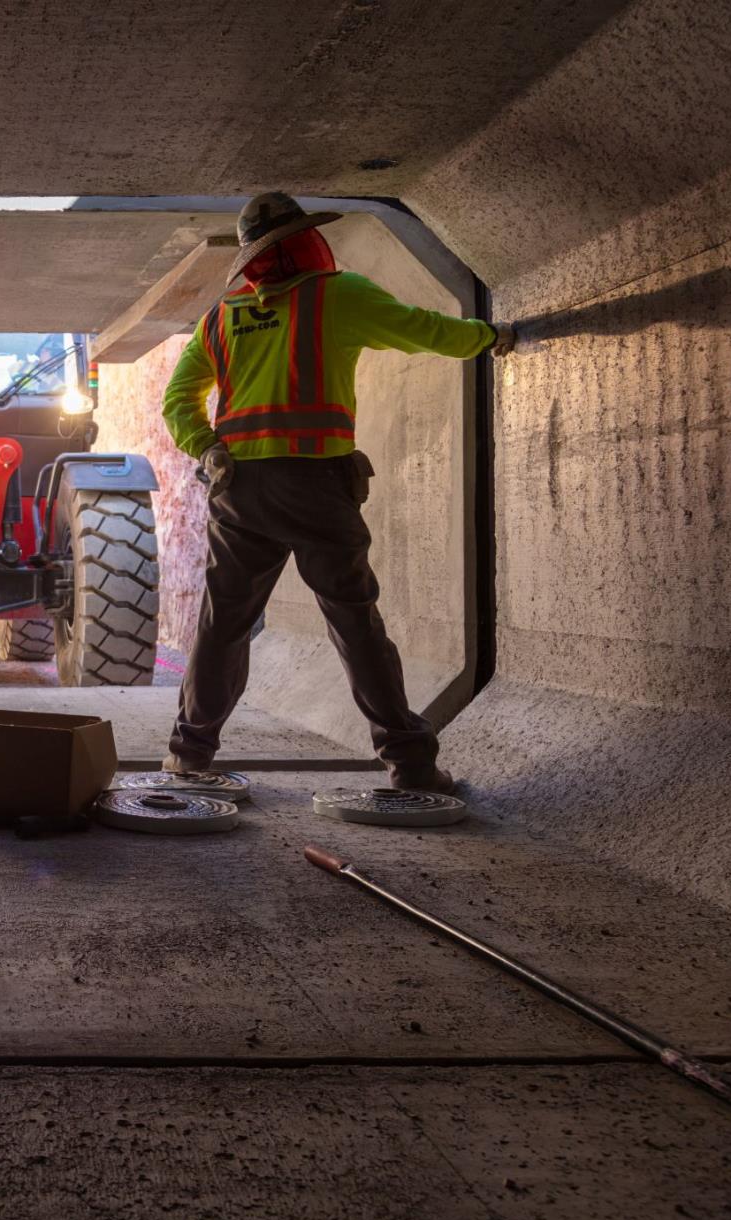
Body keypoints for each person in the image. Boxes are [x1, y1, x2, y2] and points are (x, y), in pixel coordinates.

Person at [161, 192, 516, 793]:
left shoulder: (221, 318)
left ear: (252, 259)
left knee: (222, 625)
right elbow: (425, 331)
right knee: (354, 623)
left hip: (238, 493)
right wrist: (491, 336)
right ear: (304, 241)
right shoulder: (337, 295)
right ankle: (410, 764)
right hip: (316, 489)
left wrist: (206, 446)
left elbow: (178, 399)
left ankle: (189, 754)